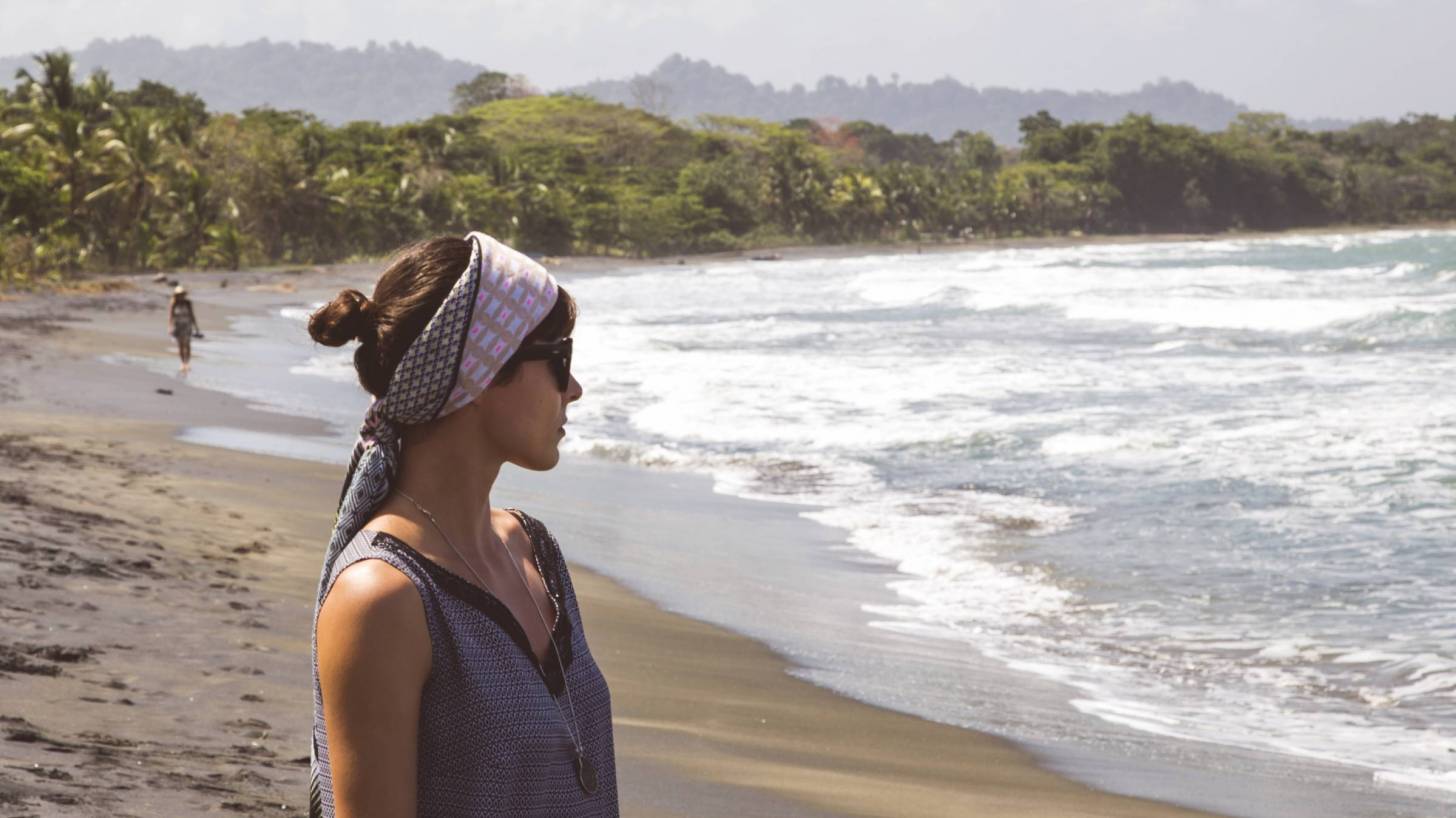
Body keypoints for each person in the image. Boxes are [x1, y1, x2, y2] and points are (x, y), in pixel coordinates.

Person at [305, 232, 617, 818]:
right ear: (483, 371)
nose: (574, 389)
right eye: (559, 360)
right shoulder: (382, 598)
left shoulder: (533, 550)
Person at [167, 285, 202, 373]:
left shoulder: (188, 303)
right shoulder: (173, 303)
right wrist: (170, 327)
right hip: (178, 326)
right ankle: (182, 363)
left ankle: (187, 363)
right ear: (176, 295)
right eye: (179, 294)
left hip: (187, 325)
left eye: (182, 294)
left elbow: (192, 315)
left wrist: (196, 327)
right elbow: (171, 316)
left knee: (187, 344)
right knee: (180, 345)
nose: (181, 296)